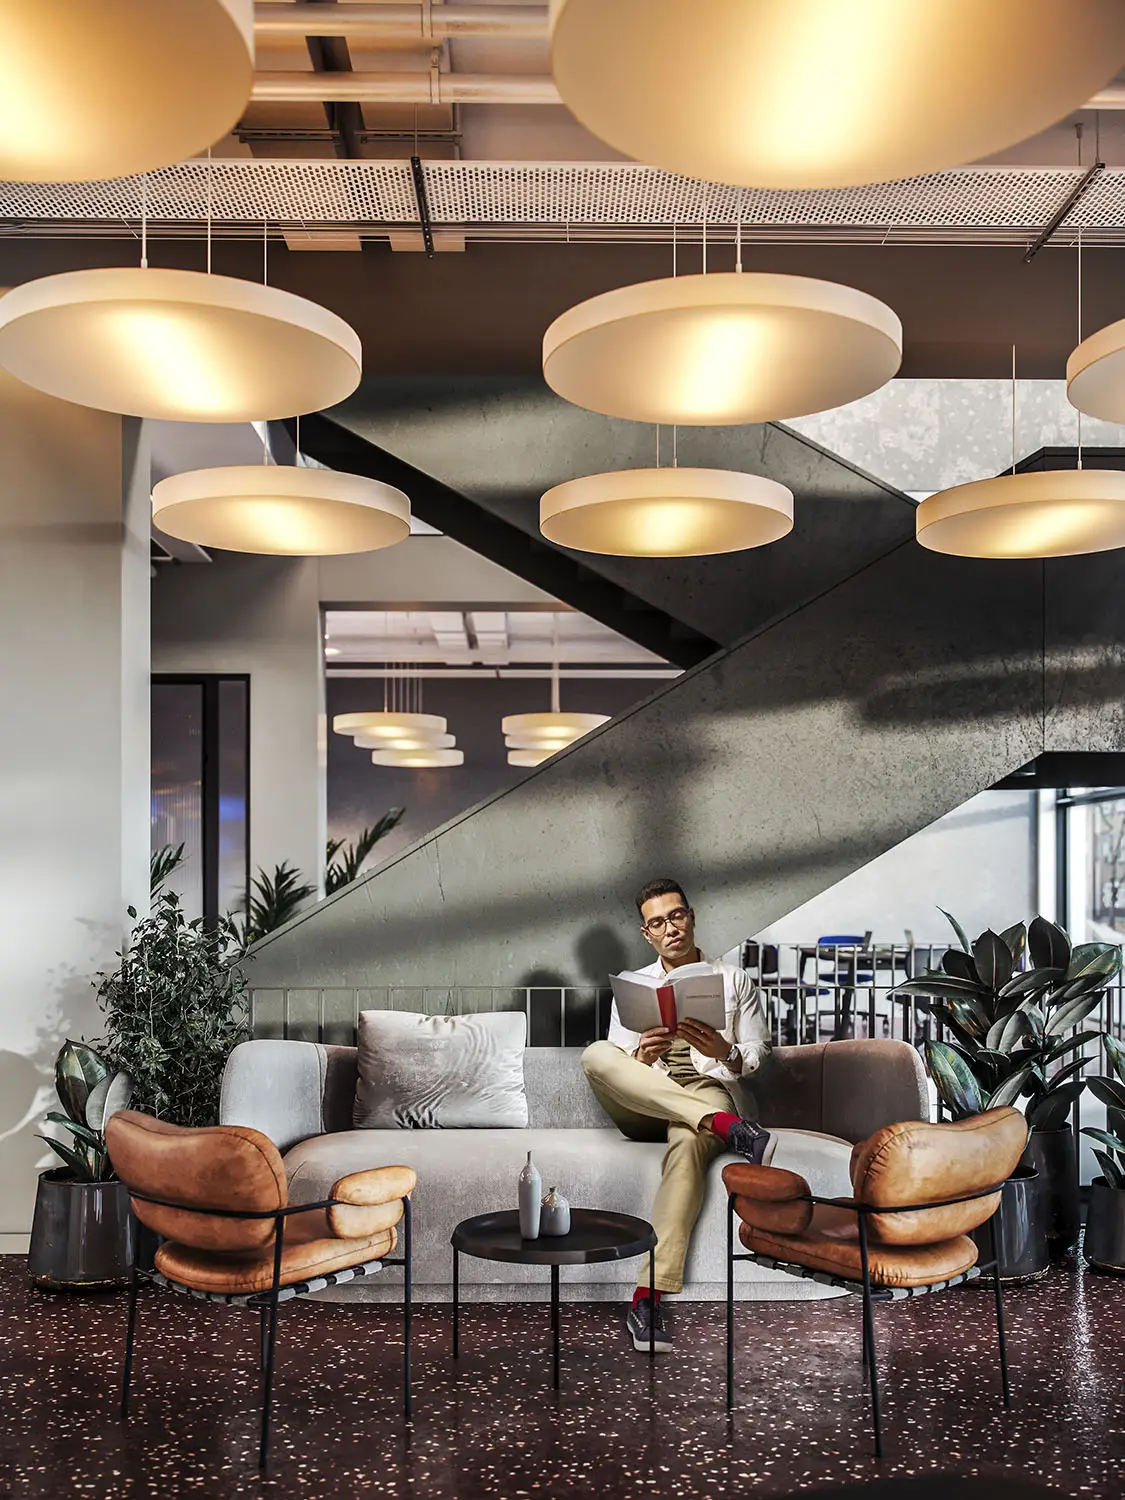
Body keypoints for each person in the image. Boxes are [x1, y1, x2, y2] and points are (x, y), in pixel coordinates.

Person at [582, 877, 772, 1355]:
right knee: (597, 1055)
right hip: (646, 1101)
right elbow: (617, 1070)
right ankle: (732, 1132)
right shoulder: (634, 986)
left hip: (709, 1091)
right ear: (647, 933)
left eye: (677, 915)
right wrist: (642, 1059)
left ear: (691, 917)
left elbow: (757, 1054)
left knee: (687, 1143)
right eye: (658, 922)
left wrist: (725, 1052)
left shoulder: (734, 978)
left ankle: (647, 1298)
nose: (670, 928)